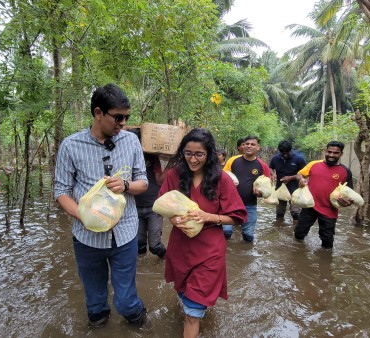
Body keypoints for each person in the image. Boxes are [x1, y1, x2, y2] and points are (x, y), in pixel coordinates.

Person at [54, 84, 148, 328]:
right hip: (87, 238)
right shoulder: (70, 146)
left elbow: (143, 183)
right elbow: (61, 191)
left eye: (126, 117)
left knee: (126, 302)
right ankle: (99, 325)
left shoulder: (131, 141)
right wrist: (83, 216)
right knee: (95, 306)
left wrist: (126, 186)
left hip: (125, 233)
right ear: (98, 113)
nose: (123, 123)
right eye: (118, 117)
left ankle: (140, 321)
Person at [158, 128, 246, 338]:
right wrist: (174, 219)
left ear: (210, 155)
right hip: (181, 247)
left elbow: (237, 216)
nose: (193, 159)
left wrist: (209, 217)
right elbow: (164, 206)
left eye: (199, 154)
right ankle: (194, 307)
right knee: (184, 293)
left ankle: (194, 315)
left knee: (193, 314)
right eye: (188, 153)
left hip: (209, 251)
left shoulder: (221, 179)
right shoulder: (174, 175)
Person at [294, 141, 353, 248]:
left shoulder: (345, 171)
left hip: (329, 210)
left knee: (327, 241)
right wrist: (301, 179)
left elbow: (349, 193)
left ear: (341, 154)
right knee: (299, 233)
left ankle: (325, 261)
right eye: (329, 152)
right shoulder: (314, 164)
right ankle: (298, 254)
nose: (331, 155)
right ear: (325, 151)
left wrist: (347, 203)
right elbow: (299, 174)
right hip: (309, 206)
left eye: (336, 153)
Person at [222, 135, 271, 242]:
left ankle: (246, 256)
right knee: (226, 232)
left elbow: (267, 187)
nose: (249, 146)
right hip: (230, 203)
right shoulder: (233, 161)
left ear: (258, 147)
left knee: (248, 236)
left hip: (250, 205)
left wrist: (260, 194)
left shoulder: (262, 166)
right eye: (246, 144)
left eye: (252, 144)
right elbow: (223, 177)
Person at [128, 128, 167, 258]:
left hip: (154, 206)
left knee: (155, 246)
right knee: (139, 246)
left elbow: (160, 180)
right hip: (134, 206)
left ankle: (166, 259)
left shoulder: (151, 156)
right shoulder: (124, 157)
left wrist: (172, 162)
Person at [269, 140, 307, 222]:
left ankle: (295, 231)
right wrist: (272, 174)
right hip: (280, 188)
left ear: (291, 150)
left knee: (296, 213)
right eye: (282, 152)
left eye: (287, 152)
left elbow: (305, 174)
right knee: (279, 212)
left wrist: (290, 178)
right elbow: (270, 167)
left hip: (295, 189)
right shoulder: (275, 158)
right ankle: (279, 228)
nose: (285, 154)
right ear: (279, 151)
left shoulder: (299, 159)